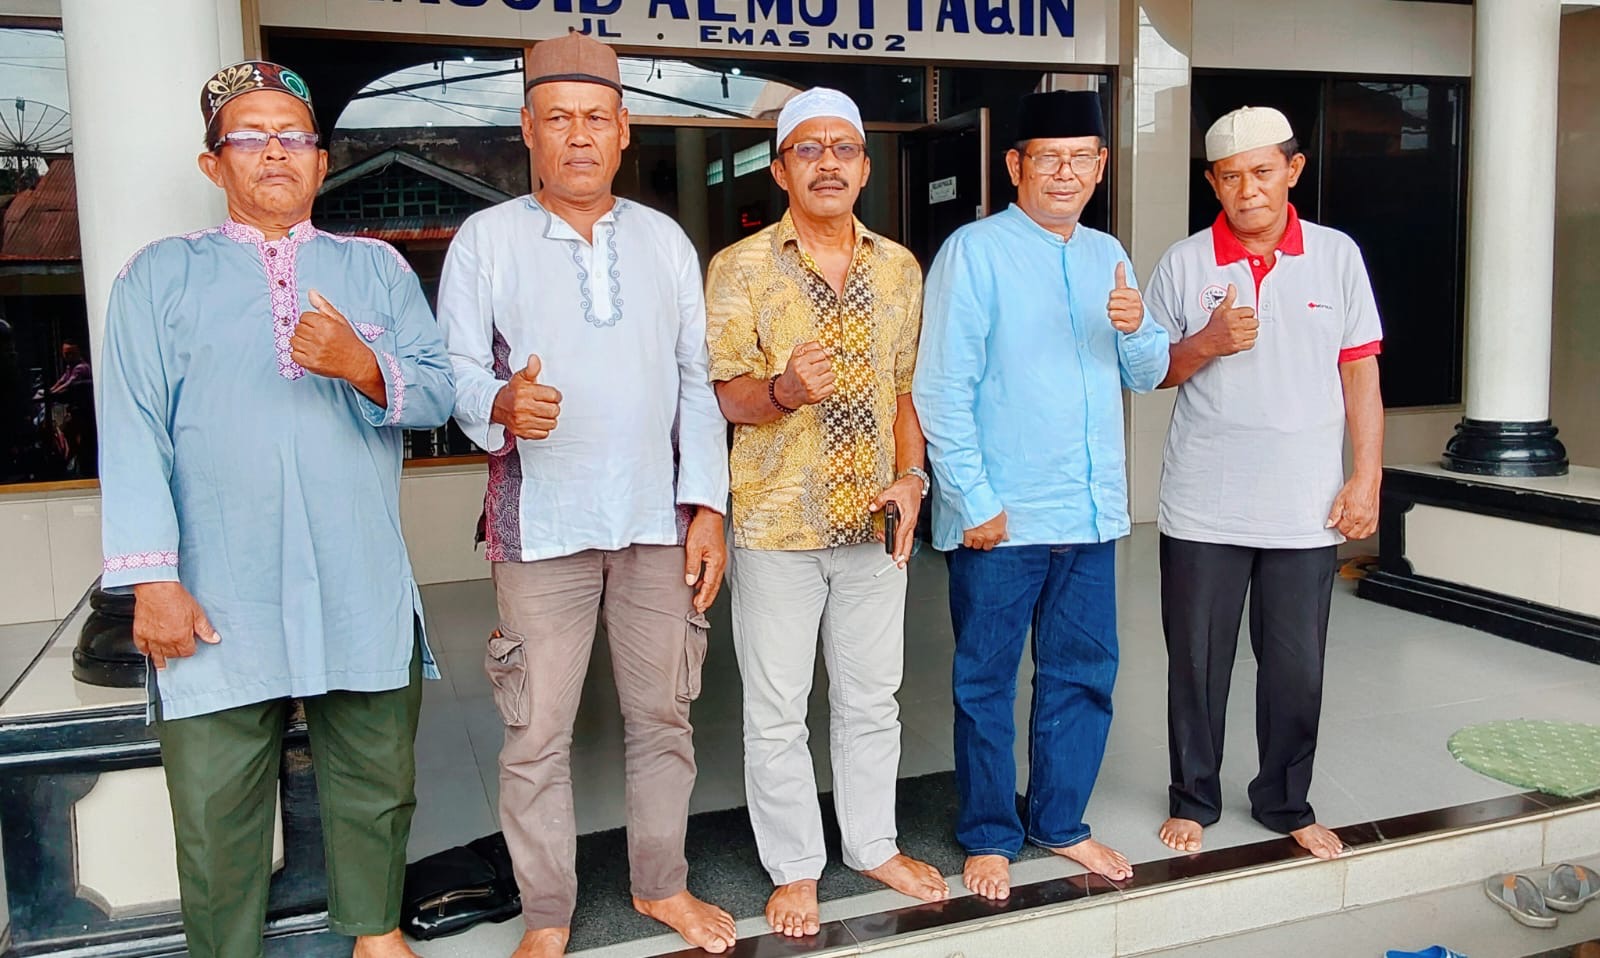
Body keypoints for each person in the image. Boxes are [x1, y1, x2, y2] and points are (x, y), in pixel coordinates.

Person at [97, 60, 455, 958]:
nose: (274, 153)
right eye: (250, 137)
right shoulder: (158, 277)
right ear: (213, 163)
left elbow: (439, 395)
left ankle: (376, 933)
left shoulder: (374, 269)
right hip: (221, 582)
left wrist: (361, 364)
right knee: (215, 796)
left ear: (322, 162)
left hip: (354, 569)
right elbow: (132, 430)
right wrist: (153, 580)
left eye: (293, 137)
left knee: (375, 772)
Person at [435, 31, 735, 958]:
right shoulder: (487, 240)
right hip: (541, 526)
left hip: (655, 520)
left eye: (596, 118)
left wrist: (708, 508)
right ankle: (547, 913)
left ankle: (661, 885)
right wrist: (501, 402)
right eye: (558, 118)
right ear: (527, 129)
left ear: (624, 129)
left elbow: (697, 381)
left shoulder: (664, 241)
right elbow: (452, 371)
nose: (578, 136)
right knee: (536, 735)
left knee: (664, 720)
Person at [704, 87, 948, 939]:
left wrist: (912, 478)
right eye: (808, 150)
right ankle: (795, 867)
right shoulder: (740, 268)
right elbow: (724, 396)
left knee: (873, 698)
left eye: (843, 148)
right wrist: (782, 391)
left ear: (866, 168)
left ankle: (873, 843)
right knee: (777, 709)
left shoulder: (900, 268)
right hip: (777, 525)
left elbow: (908, 391)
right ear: (780, 170)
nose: (828, 164)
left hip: (875, 524)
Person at [914, 89, 1169, 900]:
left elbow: (1147, 374)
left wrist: (1136, 325)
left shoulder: (1107, 253)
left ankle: (1060, 823)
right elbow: (940, 386)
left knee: (1082, 674)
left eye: (1081, 158)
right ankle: (990, 834)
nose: (1065, 172)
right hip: (1002, 518)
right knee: (985, 682)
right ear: (1015, 165)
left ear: (1101, 166)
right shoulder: (974, 252)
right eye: (1048, 158)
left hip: (1089, 514)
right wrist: (973, 499)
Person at [1146, 106, 1383, 861]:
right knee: (1197, 664)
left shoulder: (1336, 256)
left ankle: (1285, 800)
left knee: (1296, 670)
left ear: (1292, 170)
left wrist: (1366, 476)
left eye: (1262, 171)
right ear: (1212, 182)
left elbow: (1360, 372)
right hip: (1203, 503)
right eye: (1230, 176)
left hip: (1306, 506)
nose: (1247, 189)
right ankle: (1194, 797)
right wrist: (1208, 342)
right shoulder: (1185, 263)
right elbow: (1153, 372)